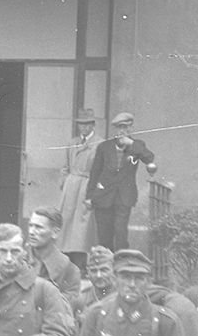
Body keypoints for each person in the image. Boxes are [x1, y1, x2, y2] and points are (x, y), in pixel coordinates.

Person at [85, 112, 156, 251]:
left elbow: (149, 158)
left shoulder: (137, 146)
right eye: (119, 127)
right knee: (104, 236)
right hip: (103, 196)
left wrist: (131, 143)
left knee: (121, 234)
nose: (122, 131)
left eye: (125, 127)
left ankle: (121, 265)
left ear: (131, 128)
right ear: (115, 129)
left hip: (124, 197)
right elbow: (95, 173)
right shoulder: (104, 147)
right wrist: (89, 196)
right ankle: (107, 267)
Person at [58, 108, 100, 270]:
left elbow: (101, 170)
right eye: (81, 125)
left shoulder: (99, 143)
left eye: (87, 124)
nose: (83, 128)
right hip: (70, 188)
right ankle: (65, 266)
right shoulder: (72, 142)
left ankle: (79, 266)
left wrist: (94, 192)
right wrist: (64, 182)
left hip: (86, 187)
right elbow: (65, 166)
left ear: (93, 125)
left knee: (82, 227)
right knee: (66, 224)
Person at [28, 206, 82, 304]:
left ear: (55, 232)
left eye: (38, 227)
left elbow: (66, 307)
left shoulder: (69, 270)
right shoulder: (17, 260)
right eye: (30, 226)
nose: (31, 232)